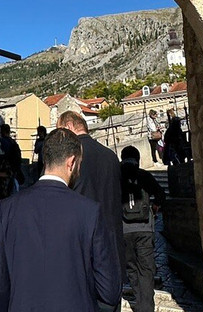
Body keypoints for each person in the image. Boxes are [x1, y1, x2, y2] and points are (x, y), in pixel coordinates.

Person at [0, 129, 121, 312]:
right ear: (71, 162)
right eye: (79, 164)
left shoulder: (7, 209)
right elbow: (110, 290)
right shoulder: (90, 212)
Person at [57, 110, 125, 310]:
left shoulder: (70, 159)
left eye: (60, 132)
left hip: (82, 250)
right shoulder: (111, 156)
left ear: (69, 127)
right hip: (111, 248)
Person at [119, 146, 165, 312]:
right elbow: (160, 195)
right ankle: (146, 306)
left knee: (131, 268)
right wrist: (154, 207)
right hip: (145, 229)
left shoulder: (117, 177)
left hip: (124, 230)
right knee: (146, 269)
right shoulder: (144, 175)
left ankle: (140, 303)